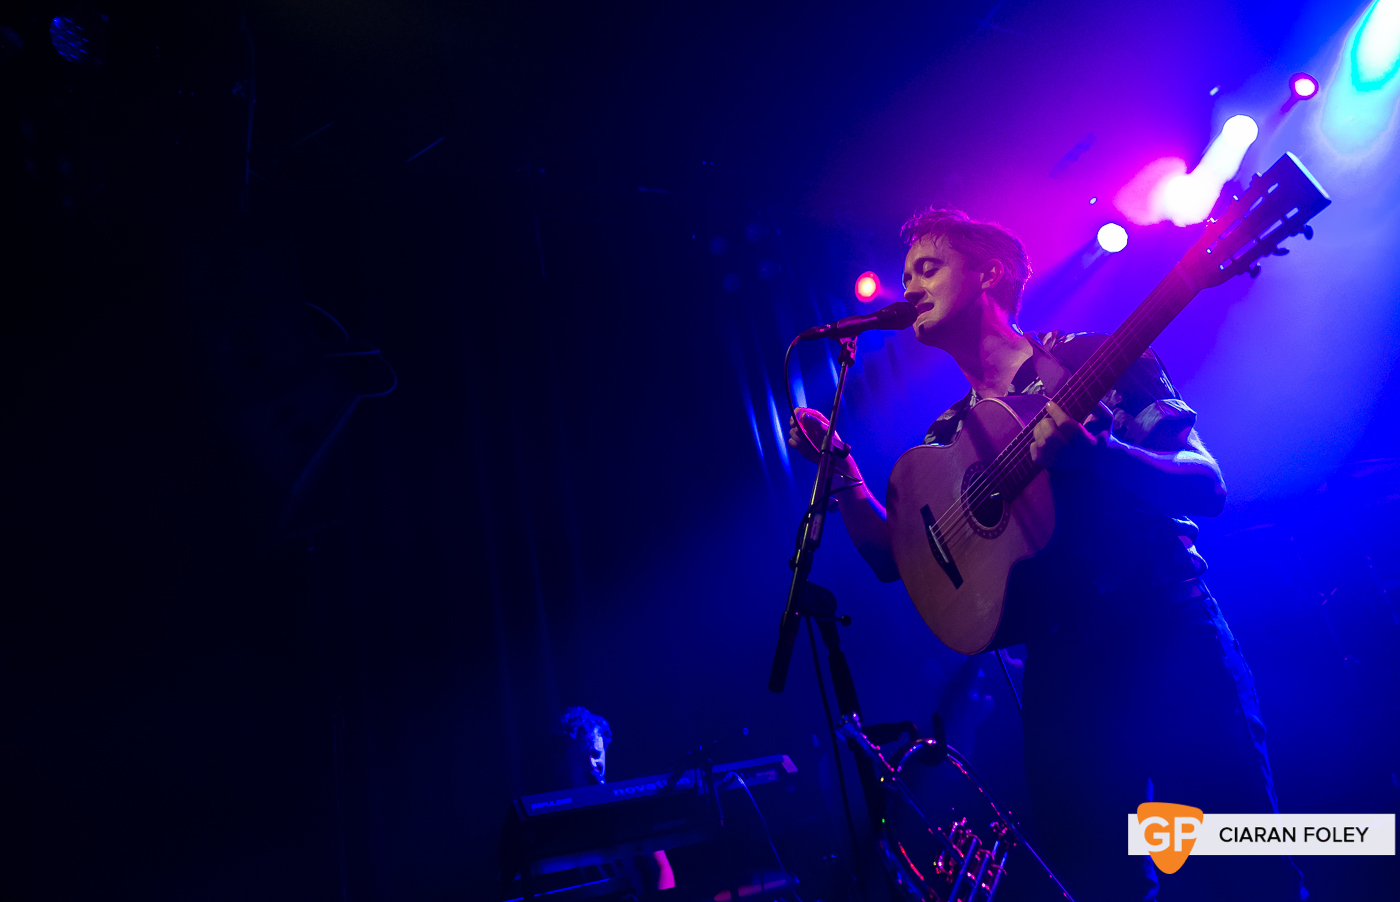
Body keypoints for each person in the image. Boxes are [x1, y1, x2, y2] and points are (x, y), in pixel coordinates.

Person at [787, 209, 1305, 901]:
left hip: (1164, 635)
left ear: (989, 273)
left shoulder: (1093, 357)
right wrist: (844, 472)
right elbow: (895, 557)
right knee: (1095, 879)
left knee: (1240, 869)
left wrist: (1105, 455)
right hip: (1061, 674)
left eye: (928, 268)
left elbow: (1206, 486)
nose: (910, 286)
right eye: (907, 273)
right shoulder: (948, 433)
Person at [554, 707, 675, 894]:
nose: (592, 765)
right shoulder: (556, 820)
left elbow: (662, 869)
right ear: (563, 763)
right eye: (580, 758)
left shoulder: (629, 806)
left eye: (596, 754)